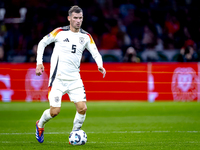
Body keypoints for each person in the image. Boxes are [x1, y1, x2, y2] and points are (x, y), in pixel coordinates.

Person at [35, 5, 106, 143]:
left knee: (82, 108)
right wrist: (39, 63)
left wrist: (100, 65)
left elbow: (95, 52)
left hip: (75, 79)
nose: (78, 21)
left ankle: (74, 134)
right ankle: (40, 124)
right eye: (75, 18)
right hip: (58, 79)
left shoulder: (85, 36)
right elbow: (42, 43)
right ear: (69, 18)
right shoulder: (60, 32)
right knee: (55, 111)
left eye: (80, 18)